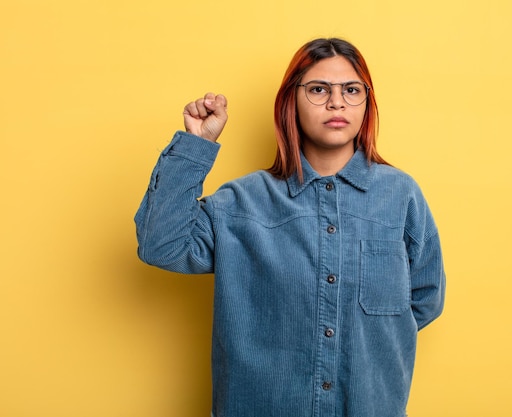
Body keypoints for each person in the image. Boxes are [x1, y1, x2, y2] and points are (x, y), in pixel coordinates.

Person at [135, 37, 445, 417]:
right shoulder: (241, 202)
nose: (336, 102)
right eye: (318, 89)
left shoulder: (401, 196)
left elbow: (425, 297)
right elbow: (160, 245)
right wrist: (195, 146)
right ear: (290, 102)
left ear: (367, 102)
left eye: (351, 90)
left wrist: (370, 349)